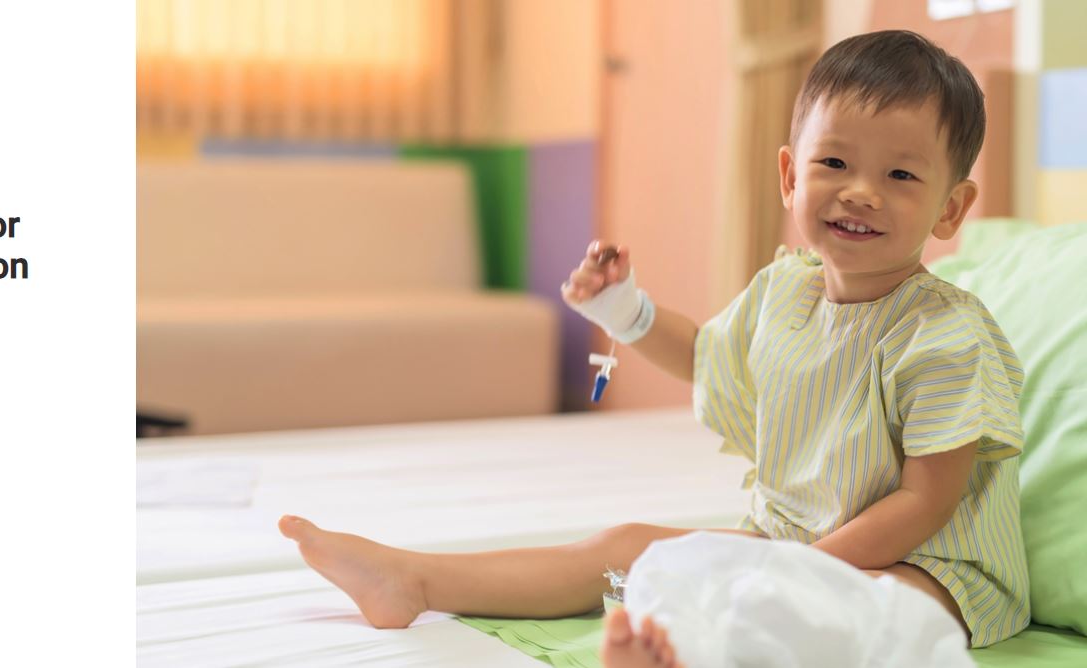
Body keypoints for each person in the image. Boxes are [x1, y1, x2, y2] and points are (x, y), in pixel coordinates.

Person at [279, 29, 1028, 664]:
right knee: (625, 546)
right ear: (789, 175)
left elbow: (924, 502)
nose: (861, 191)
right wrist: (623, 308)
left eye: (900, 174)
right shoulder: (786, 292)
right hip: (794, 544)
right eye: (834, 163)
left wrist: (791, 570)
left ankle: (687, 648)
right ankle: (413, 580)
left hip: (931, 570)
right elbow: (706, 357)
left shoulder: (942, 335)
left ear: (950, 208)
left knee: (831, 615)